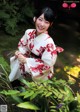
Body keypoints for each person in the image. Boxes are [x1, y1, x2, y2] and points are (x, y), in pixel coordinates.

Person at [9, 7, 64, 82]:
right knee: (17, 68)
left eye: (46, 22)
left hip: (39, 70)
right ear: (35, 19)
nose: (42, 24)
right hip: (26, 61)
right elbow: (23, 47)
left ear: (50, 24)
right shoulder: (28, 32)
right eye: (40, 19)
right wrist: (19, 53)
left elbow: (47, 65)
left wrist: (27, 61)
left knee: (29, 86)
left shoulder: (49, 43)